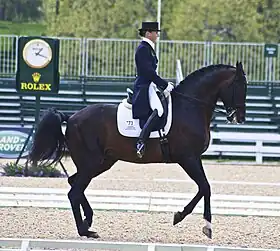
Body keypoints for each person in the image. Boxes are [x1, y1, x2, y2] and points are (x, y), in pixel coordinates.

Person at [132, 21, 175, 158]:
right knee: (160, 110)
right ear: (148, 33)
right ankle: (141, 142)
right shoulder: (143, 48)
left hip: (150, 84)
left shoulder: (148, 48)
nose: (157, 35)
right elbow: (148, 72)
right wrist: (164, 85)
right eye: (155, 32)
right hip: (145, 86)